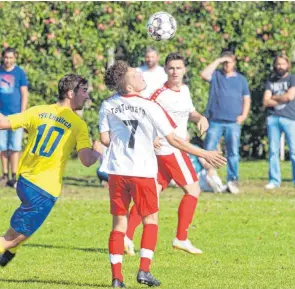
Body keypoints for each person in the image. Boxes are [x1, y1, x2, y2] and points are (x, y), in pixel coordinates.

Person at [0, 74, 101, 282]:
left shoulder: (38, 111)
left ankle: (10, 253)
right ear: (70, 93)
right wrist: (98, 150)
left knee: (27, 226)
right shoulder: (78, 124)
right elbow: (86, 160)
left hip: (24, 183)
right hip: (44, 191)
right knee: (11, 239)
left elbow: (1, 122)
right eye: (84, 91)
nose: (87, 96)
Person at [100, 60, 226, 288]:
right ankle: (144, 271)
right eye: (134, 74)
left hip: (117, 172)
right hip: (143, 171)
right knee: (151, 220)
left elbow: (105, 139)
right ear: (128, 86)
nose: (140, 74)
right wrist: (204, 153)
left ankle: (117, 278)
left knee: (119, 224)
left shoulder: (108, 104)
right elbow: (175, 140)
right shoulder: (149, 105)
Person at [125, 53, 210, 257]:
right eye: (171, 68)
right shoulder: (159, 94)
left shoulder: (185, 90)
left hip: (175, 148)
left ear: (184, 70)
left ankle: (126, 237)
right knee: (193, 190)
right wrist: (150, 136)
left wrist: (200, 118)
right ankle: (181, 238)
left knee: (149, 194)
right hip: (171, 149)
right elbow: (141, 114)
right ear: (165, 70)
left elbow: (190, 112)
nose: (175, 72)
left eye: (178, 68)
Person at [201, 51, 251, 194]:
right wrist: (218, 59)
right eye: (224, 62)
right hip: (215, 120)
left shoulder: (241, 80)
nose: (226, 65)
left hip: (233, 122)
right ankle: (209, 178)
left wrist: (244, 115)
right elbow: (204, 74)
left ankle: (233, 180)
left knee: (233, 152)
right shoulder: (216, 76)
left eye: (229, 62)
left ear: (234, 63)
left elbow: (246, 99)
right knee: (209, 150)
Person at [0, 47, 29, 187]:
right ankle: (5, 174)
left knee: (15, 146)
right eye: (6, 57)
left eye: (11, 57)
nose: (8, 60)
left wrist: (23, 113)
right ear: (2, 57)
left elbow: (24, 93)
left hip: (16, 114)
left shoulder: (19, 73)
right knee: (3, 146)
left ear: (15, 58)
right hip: (0, 114)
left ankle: (15, 175)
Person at [262, 54, 295, 189]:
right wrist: (281, 97)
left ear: (288, 65)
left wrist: (274, 98)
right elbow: (265, 101)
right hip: (272, 118)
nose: (280, 66)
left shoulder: (292, 79)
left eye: (282, 64)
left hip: (290, 118)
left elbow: (290, 97)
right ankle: (274, 180)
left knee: (294, 150)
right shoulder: (270, 81)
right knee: (273, 151)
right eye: (278, 64)